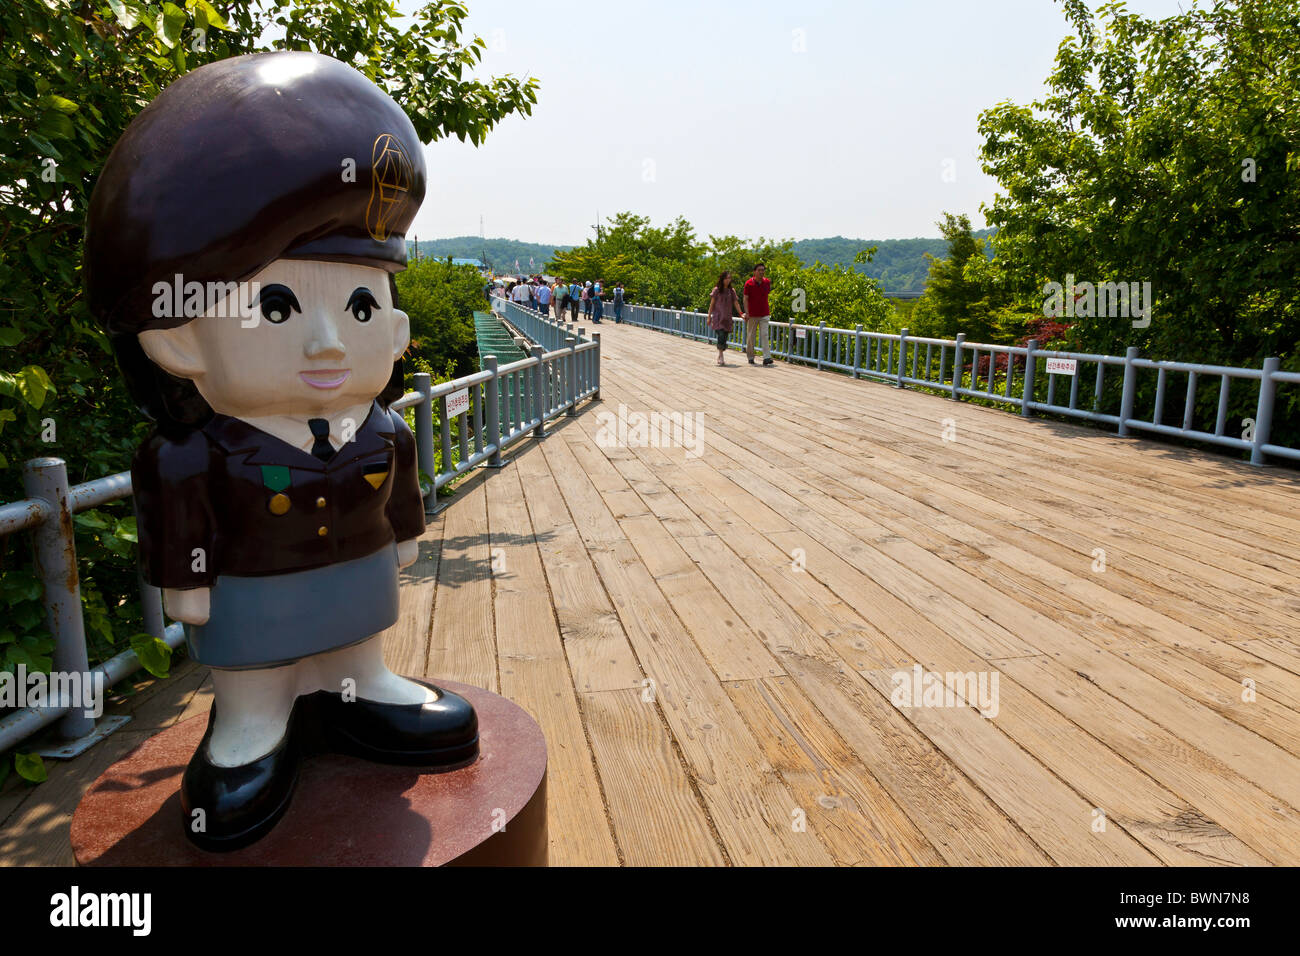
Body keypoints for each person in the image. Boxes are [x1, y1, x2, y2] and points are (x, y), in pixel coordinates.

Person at [83, 50, 478, 852]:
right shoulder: (197, 454)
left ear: (396, 332)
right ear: (181, 341)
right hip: (252, 593)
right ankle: (251, 725)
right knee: (255, 669)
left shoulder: (383, 430)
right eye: (277, 303)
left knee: (357, 639)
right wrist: (187, 588)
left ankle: (362, 685)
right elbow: (184, 528)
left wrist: (402, 535)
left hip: (356, 575)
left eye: (363, 306)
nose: (332, 342)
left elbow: (400, 497)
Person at [707, 270, 744, 366]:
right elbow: (712, 304)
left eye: (729, 278)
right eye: (726, 278)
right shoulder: (716, 290)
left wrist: (741, 313)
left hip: (727, 318)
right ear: (722, 279)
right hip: (718, 317)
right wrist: (709, 317)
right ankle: (721, 355)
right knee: (721, 335)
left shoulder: (732, 291)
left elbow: (736, 303)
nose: (728, 280)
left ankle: (721, 353)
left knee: (725, 337)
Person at [742, 262, 773, 366]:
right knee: (751, 336)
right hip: (752, 314)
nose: (761, 272)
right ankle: (750, 357)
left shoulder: (767, 282)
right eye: (759, 270)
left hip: (764, 313)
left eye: (763, 270)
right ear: (754, 272)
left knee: (764, 334)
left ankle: (767, 357)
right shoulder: (748, 283)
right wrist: (746, 312)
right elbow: (745, 299)